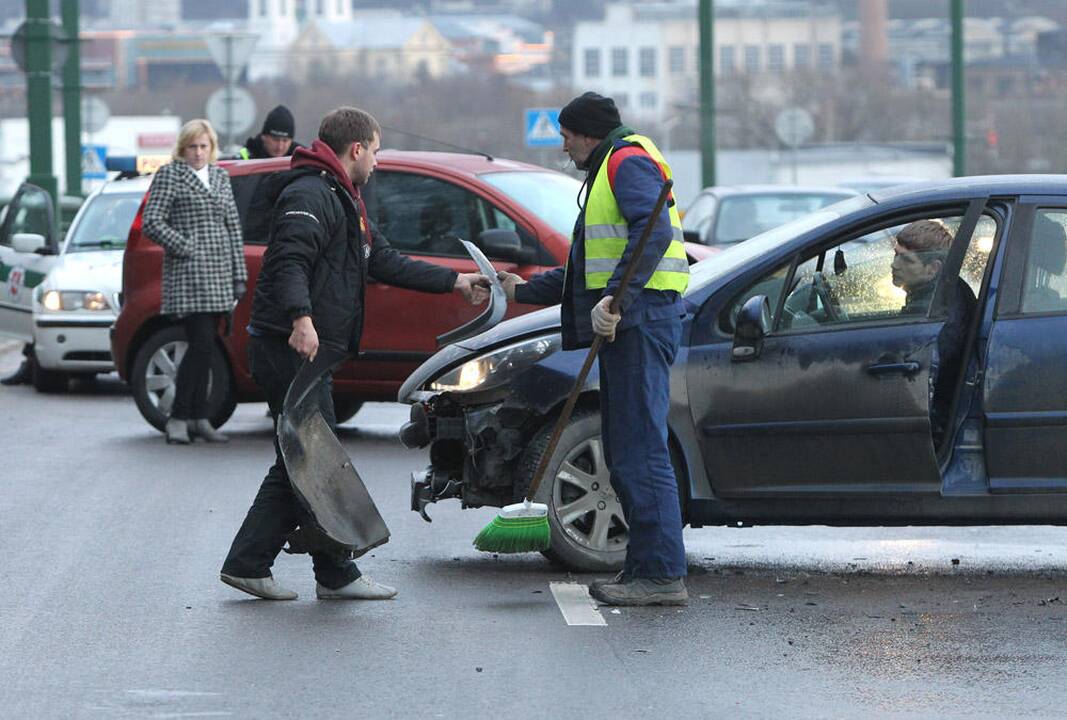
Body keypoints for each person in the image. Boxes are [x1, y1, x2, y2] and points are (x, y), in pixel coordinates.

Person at [220, 106, 489, 602]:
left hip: (309, 351)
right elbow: (288, 262)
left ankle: (299, 569)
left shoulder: (343, 196)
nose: (379, 163)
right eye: (377, 151)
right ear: (357, 148)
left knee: (308, 458)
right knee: (311, 459)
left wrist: (456, 281)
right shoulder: (309, 194)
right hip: (289, 348)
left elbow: (382, 259)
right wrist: (301, 318)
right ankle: (285, 567)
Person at [497, 92, 690, 606]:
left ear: (586, 133)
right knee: (626, 451)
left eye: (565, 137)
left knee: (640, 450)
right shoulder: (612, 166)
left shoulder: (626, 162)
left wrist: (619, 301)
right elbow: (590, 269)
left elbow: (653, 237)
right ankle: (647, 567)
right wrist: (520, 289)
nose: (563, 147)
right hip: (633, 321)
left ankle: (662, 575)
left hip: (640, 322)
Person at [143, 119, 247, 445]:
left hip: (219, 276)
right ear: (182, 148)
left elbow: (233, 227)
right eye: (193, 146)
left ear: (211, 148)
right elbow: (152, 222)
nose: (199, 153)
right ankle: (179, 417)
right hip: (188, 276)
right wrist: (185, 245)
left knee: (208, 348)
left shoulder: (219, 176)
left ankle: (199, 417)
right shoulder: (170, 175)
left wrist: (239, 275)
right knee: (200, 343)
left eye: (203, 146)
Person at [891, 219, 976, 442]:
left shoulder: (943, 309)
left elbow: (919, 362)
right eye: (895, 254)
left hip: (935, 425)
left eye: (906, 259)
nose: (894, 265)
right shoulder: (938, 292)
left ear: (933, 269)